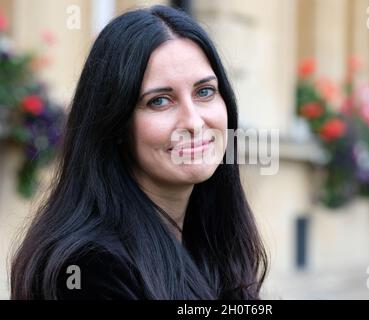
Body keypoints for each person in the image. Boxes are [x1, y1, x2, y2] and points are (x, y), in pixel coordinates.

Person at [10, 5, 268, 300]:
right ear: (115, 124)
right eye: (160, 101)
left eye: (205, 92)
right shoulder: (89, 270)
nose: (194, 122)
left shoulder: (211, 242)